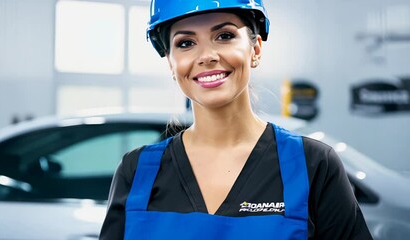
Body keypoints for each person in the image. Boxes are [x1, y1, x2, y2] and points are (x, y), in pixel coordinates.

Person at [100, 0, 373, 239]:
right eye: (186, 43)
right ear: (171, 63)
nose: (207, 56)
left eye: (224, 36)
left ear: (255, 50)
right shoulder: (136, 171)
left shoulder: (312, 164)